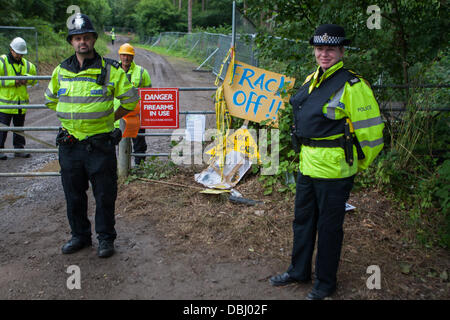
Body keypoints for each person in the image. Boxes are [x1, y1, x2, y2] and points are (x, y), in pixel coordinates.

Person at [269, 24, 384, 299]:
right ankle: (298, 271)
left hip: (335, 171)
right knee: (303, 221)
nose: (324, 54)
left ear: (341, 51)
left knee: (329, 228)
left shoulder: (353, 85)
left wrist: (359, 164)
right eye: (320, 48)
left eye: (330, 49)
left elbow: (372, 133)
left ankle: (324, 283)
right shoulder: (312, 78)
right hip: (308, 165)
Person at [44, 13, 139, 258]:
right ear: (71, 42)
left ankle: (106, 239)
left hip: (100, 145)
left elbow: (130, 99)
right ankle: (80, 237)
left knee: (105, 195)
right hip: (70, 145)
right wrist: (71, 118)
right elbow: (50, 100)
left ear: (93, 39)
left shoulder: (111, 70)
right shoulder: (61, 70)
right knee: (73, 195)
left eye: (86, 37)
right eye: (77, 38)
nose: (82, 42)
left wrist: (109, 117)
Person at [114, 43, 152, 165]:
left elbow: (149, 93)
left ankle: (139, 167)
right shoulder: (113, 71)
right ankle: (117, 169)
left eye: (129, 55)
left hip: (136, 116)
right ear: (120, 56)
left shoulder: (141, 72)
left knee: (139, 144)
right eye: (123, 55)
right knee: (115, 144)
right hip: (117, 115)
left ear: (133, 57)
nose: (126, 58)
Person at [0, 37, 37, 160]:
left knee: (19, 128)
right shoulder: (2, 62)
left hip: (20, 103)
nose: (19, 56)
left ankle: (19, 149)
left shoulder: (28, 65)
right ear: (11, 50)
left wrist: (26, 78)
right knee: (2, 128)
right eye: (17, 53)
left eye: (22, 54)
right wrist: (12, 81)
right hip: (5, 104)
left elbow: (34, 80)